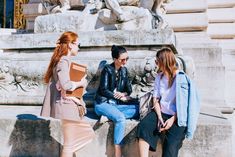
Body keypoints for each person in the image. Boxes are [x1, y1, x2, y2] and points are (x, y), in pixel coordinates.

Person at [136, 47, 200, 157]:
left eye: (157, 61)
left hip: (177, 116)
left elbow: (183, 106)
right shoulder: (159, 77)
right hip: (161, 112)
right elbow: (155, 99)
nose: (155, 64)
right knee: (143, 127)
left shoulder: (181, 78)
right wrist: (160, 117)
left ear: (163, 62)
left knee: (170, 146)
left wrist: (171, 120)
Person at [40, 31, 95, 157]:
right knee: (71, 144)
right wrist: (80, 83)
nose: (78, 47)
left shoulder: (62, 60)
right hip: (67, 106)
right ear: (70, 45)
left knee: (72, 143)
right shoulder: (63, 60)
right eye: (77, 44)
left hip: (67, 105)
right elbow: (66, 85)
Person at [94, 45, 139, 157]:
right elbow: (103, 90)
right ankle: (118, 152)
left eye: (127, 59)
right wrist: (116, 96)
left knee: (139, 110)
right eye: (122, 59)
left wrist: (123, 94)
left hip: (116, 105)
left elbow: (129, 89)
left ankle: (109, 116)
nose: (125, 62)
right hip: (102, 103)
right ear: (115, 59)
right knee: (120, 118)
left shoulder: (124, 71)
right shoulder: (107, 70)